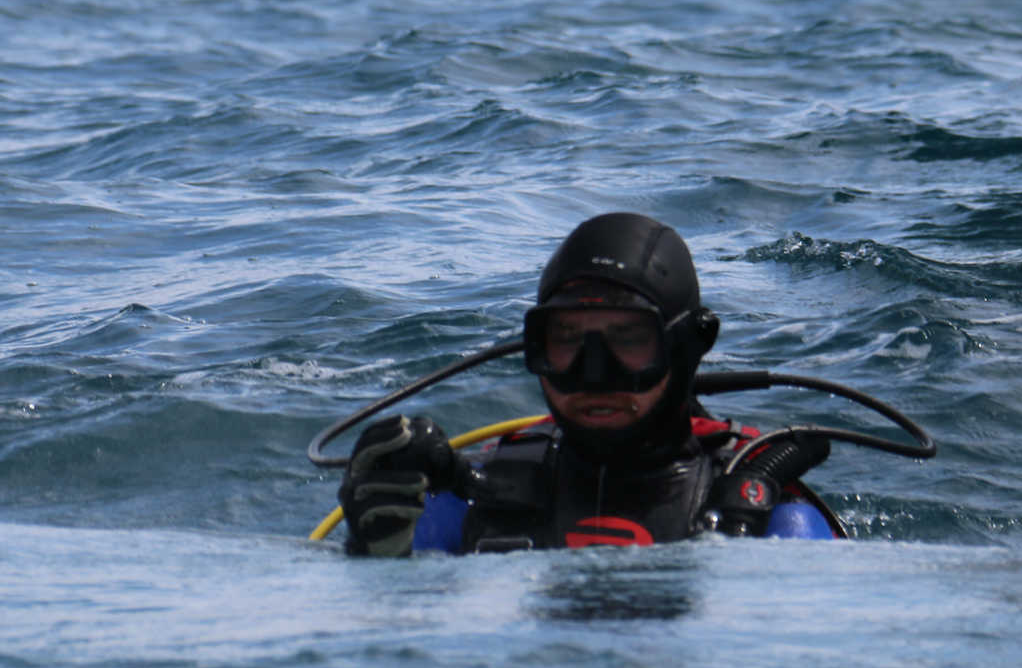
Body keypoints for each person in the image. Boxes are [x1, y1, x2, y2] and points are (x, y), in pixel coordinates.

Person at [338, 212, 840, 556]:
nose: (594, 373)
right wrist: (373, 552)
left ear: (686, 345)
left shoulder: (768, 516)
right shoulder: (475, 501)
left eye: (628, 338)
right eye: (567, 339)